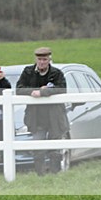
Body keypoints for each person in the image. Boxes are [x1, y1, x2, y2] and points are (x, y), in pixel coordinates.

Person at [15, 47, 69, 175]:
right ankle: (40, 175)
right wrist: (32, 91)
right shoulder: (28, 72)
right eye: (39, 59)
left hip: (54, 116)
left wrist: (44, 92)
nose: (42, 62)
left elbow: (62, 89)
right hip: (36, 116)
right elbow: (19, 89)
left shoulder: (57, 73)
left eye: (44, 59)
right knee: (38, 147)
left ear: (49, 59)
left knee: (54, 147)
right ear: (36, 59)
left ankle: (55, 174)